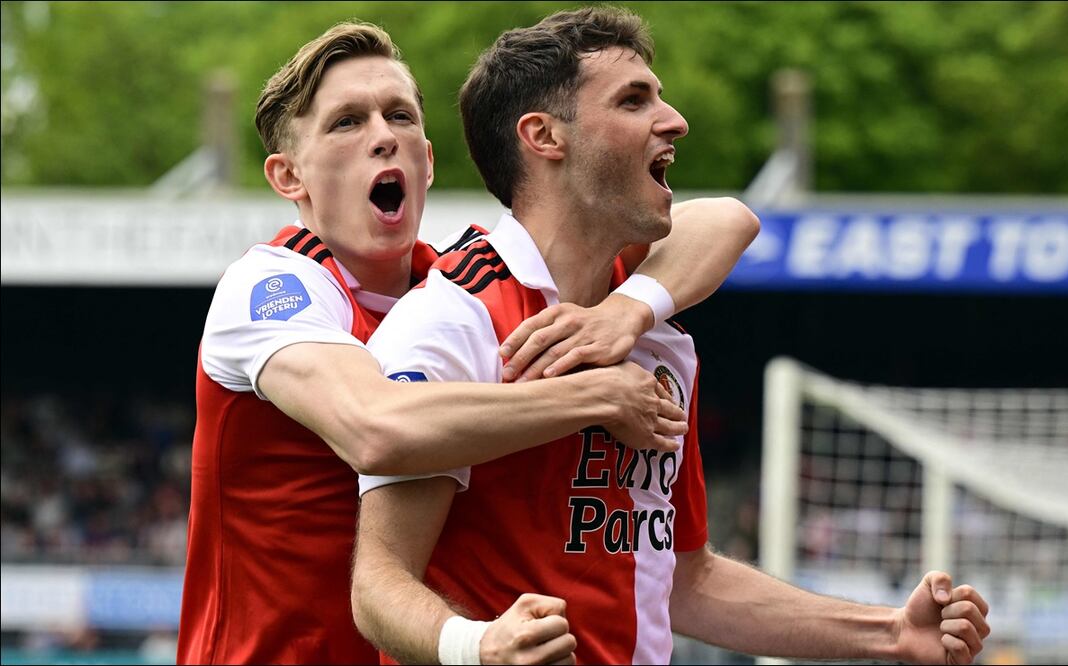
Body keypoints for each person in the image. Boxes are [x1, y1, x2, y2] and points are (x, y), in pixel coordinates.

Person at [350, 7, 990, 666]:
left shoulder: (658, 335)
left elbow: (686, 579)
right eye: (633, 100)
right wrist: (477, 646)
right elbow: (379, 585)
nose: (674, 120)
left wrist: (888, 632)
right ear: (543, 136)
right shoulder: (456, 320)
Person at [176, 18, 760, 666]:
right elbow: (376, 428)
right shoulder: (273, 287)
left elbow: (724, 220)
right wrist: (597, 394)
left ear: (426, 162)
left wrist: (627, 309)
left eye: (398, 116)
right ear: (289, 178)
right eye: (346, 122)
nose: (382, 137)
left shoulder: (454, 289)